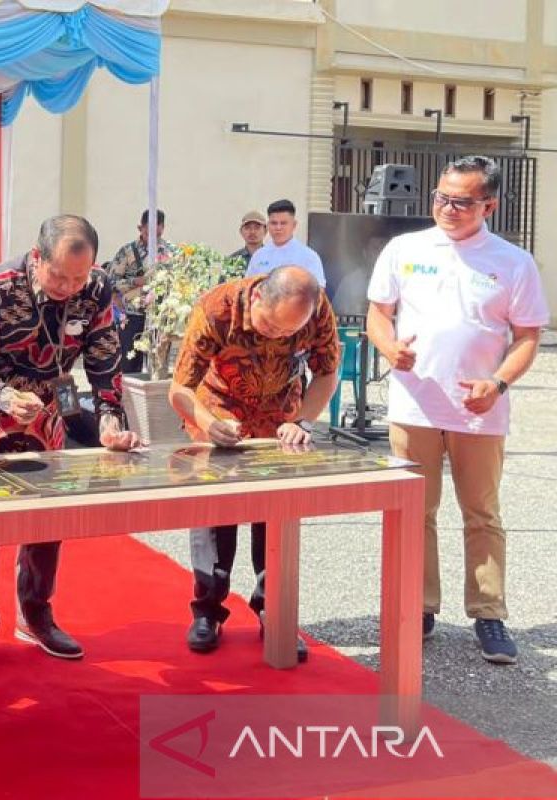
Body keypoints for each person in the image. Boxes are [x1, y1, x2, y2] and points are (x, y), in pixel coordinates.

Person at [366, 155, 548, 665]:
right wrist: (388, 349)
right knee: (414, 512)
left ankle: (488, 613)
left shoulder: (513, 262)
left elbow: (528, 336)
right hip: (414, 406)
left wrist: (497, 382)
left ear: (488, 204)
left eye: (462, 201)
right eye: (442, 198)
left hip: (478, 411)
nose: (447, 208)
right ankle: (420, 607)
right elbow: (379, 314)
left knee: (482, 513)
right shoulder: (406, 249)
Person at [0, 214, 143, 677]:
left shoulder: (95, 290)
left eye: (79, 277)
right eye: (58, 275)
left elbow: (103, 359)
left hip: (46, 407)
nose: (68, 287)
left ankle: (35, 613)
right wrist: (1, 395)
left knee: (47, 517)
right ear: (37, 258)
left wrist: (111, 419)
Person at [168, 266, 339, 661]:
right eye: (273, 328)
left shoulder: (315, 309)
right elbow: (180, 388)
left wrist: (302, 421)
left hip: (281, 420)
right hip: (218, 413)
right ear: (259, 298)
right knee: (215, 516)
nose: (279, 336)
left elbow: (327, 374)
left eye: (288, 333)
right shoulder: (217, 308)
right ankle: (207, 611)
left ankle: (274, 612)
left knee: (276, 517)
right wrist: (209, 425)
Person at [104, 208, 172, 374]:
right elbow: (110, 281)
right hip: (132, 315)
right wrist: (135, 282)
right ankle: (126, 398)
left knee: (158, 366)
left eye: (157, 228)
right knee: (129, 363)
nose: (152, 234)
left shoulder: (170, 251)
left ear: (162, 228)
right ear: (140, 227)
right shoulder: (127, 252)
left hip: (159, 317)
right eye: (148, 229)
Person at [245, 199, 326, 288]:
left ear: (294, 225)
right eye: (274, 223)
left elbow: (318, 290)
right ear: (268, 225)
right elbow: (247, 287)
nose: (278, 228)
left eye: (283, 223)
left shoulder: (308, 257)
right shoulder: (259, 255)